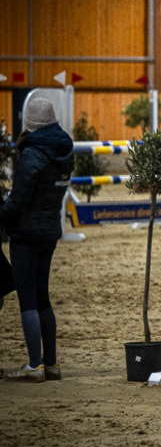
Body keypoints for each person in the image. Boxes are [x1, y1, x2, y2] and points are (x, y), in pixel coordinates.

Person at [0, 99, 74, 381]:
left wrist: (1, 215)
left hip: (26, 233)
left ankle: (34, 364)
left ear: (30, 123)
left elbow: (18, 201)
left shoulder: (31, 155)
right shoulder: (64, 151)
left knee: (27, 299)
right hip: (50, 230)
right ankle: (52, 364)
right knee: (43, 297)